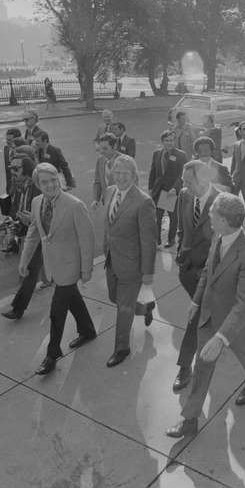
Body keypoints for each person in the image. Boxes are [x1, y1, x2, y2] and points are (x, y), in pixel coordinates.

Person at [166, 192, 245, 438]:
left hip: (236, 327)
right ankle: (190, 420)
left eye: (213, 213)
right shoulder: (218, 236)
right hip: (209, 317)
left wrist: (221, 337)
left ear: (225, 219)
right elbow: (209, 270)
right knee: (202, 368)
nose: (209, 214)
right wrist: (196, 301)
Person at [18, 163, 97, 375]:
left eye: (54, 179)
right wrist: (24, 260)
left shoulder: (74, 205)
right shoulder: (36, 202)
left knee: (56, 311)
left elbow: (87, 240)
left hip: (70, 266)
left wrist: (86, 270)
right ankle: (88, 329)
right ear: (37, 185)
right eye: (45, 182)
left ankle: (51, 355)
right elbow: (34, 233)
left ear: (59, 179)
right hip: (54, 264)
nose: (51, 185)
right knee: (72, 299)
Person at [101, 155, 159, 368]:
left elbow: (149, 240)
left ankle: (121, 348)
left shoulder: (144, 202)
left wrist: (148, 271)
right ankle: (145, 309)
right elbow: (109, 225)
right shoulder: (109, 192)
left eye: (125, 173)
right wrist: (104, 248)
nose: (120, 177)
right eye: (117, 172)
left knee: (123, 309)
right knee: (114, 297)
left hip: (132, 265)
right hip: (112, 259)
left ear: (134, 175)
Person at [172, 161, 221, 393]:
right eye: (183, 181)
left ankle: (184, 365)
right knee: (203, 314)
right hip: (187, 269)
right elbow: (182, 225)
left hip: (209, 273)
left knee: (196, 315)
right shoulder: (184, 195)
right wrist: (180, 253)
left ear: (203, 180)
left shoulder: (223, 201)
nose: (184, 185)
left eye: (188, 181)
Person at [0, 156, 47, 320]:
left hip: (40, 233)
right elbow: (17, 206)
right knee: (30, 268)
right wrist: (9, 220)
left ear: (27, 169)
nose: (11, 172)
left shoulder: (40, 185)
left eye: (15, 169)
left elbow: (50, 213)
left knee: (30, 270)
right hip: (28, 231)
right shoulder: (19, 184)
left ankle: (17, 308)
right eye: (10, 168)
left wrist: (32, 218)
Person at [149, 129, 188, 248]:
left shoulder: (181, 155)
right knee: (157, 218)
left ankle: (171, 239)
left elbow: (182, 175)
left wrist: (174, 189)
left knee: (173, 218)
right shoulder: (157, 153)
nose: (169, 143)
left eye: (171, 140)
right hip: (158, 190)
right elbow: (153, 171)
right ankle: (157, 239)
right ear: (162, 141)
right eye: (166, 140)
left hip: (171, 191)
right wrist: (150, 187)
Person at [92, 133, 126, 207]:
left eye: (105, 148)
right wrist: (96, 199)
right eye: (100, 148)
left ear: (114, 147)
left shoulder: (126, 162)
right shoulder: (100, 160)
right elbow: (98, 181)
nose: (102, 151)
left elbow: (133, 186)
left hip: (123, 205)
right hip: (107, 203)